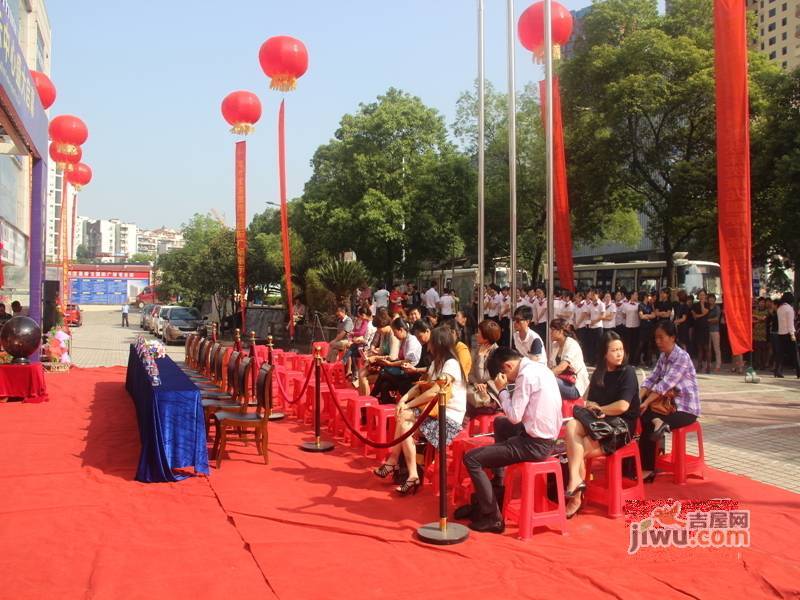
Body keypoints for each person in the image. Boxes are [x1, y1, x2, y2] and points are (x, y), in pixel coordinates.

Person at [457, 346, 562, 533]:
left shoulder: (525, 376)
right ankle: (497, 488)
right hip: (544, 435)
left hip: (535, 444)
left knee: (471, 459)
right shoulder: (540, 368)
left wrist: (502, 390)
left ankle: (492, 517)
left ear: (507, 366)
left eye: (505, 375)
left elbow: (514, 415)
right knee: (500, 423)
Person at [373, 326, 467, 496]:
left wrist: (408, 405)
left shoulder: (451, 364)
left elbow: (435, 391)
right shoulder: (435, 363)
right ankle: (408, 471)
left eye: (430, 342)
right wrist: (403, 400)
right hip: (434, 412)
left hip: (448, 418)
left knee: (404, 419)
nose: (427, 345)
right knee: (403, 417)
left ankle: (400, 465)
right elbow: (419, 387)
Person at [563, 331, 640, 518]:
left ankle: (576, 496)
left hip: (621, 427)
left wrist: (601, 408)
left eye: (621, 349)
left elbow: (623, 406)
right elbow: (589, 401)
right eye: (614, 350)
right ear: (605, 353)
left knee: (577, 451)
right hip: (600, 423)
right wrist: (593, 407)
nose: (619, 354)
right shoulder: (599, 373)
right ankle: (575, 480)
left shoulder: (628, 372)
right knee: (572, 425)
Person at [639, 320, 701, 482]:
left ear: (672, 337)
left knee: (646, 413)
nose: (658, 342)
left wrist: (645, 402)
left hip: (685, 409)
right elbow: (652, 378)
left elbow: (665, 385)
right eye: (656, 338)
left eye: (661, 338)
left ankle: (648, 467)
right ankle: (647, 467)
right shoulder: (663, 356)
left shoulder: (682, 357)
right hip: (666, 406)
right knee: (641, 414)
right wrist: (639, 398)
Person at [371, 317, 424, 404]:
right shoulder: (404, 341)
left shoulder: (411, 340)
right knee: (384, 385)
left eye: (395, 332)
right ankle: (384, 406)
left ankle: (371, 397)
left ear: (401, 330)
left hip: (411, 373)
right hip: (404, 371)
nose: (394, 335)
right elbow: (400, 359)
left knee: (383, 372)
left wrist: (390, 364)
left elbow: (407, 361)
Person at [467, 320, 502, 418]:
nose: (476, 335)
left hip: (488, 389)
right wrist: (475, 383)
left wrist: (481, 357)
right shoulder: (476, 345)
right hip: (474, 384)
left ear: (486, 338)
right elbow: (469, 370)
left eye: (479, 333)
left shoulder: (496, 353)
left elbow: (482, 378)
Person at [549, 318, 589, 400]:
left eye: (553, 330)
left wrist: (544, 375)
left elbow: (561, 367)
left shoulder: (571, 344)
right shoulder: (555, 345)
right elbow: (552, 366)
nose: (550, 333)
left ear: (561, 331)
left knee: (548, 381)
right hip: (563, 380)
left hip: (574, 385)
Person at [775, 292, 800, 378]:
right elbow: (790, 323)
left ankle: (777, 371)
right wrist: (792, 334)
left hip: (781, 333)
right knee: (795, 354)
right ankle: (798, 372)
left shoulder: (779, 308)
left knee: (780, 354)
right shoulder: (789, 309)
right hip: (789, 333)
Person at [691, 290, 711, 373]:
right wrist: (702, 315)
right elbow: (694, 316)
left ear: (705, 296)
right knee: (699, 348)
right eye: (700, 295)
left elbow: (704, 311)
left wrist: (702, 304)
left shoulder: (707, 304)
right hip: (698, 328)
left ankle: (708, 366)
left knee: (707, 347)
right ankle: (699, 366)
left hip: (705, 328)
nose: (702, 296)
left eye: (703, 295)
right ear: (698, 296)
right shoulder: (694, 305)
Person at [637, 292, 657, 367]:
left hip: (650, 327)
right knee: (641, 344)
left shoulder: (650, 305)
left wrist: (647, 316)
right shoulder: (640, 305)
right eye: (649, 297)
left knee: (649, 345)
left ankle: (648, 362)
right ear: (645, 297)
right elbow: (641, 316)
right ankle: (636, 361)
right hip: (643, 327)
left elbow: (654, 315)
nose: (650, 298)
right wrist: (649, 316)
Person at [622, 291, 641, 366]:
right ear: (632, 295)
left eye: (637, 295)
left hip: (636, 327)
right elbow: (624, 315)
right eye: (636, 295)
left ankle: (634, 361)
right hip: (628, 327)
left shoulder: (639, 305)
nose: (637, 296)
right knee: (627, 345)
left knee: (635, 345)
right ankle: (627, 361)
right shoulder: (625, 305)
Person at [752, 298, 769, 371]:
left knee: (763, 351)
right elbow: (752, 320)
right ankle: (756, 364)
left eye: (763, 302)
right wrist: (757, 319)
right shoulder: (754, 311)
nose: (761, 304)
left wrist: (755, 316)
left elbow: (763, 319)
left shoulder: (767, 311)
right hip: (755, 334)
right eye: (760, 302)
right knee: (756, 350)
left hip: (763, 334)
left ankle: (763, 365)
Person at [707, 293, 722, 372]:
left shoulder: (717, 307)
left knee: (716, 348)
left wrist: (708, 320)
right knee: (708, 348)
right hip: (707, 330)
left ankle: (718, 364)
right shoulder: (707, 307)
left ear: (715, 299)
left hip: (715, 330)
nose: (711, 300)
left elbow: (717, 319)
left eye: (712, 298)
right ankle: (709, 364)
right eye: (710, 298)